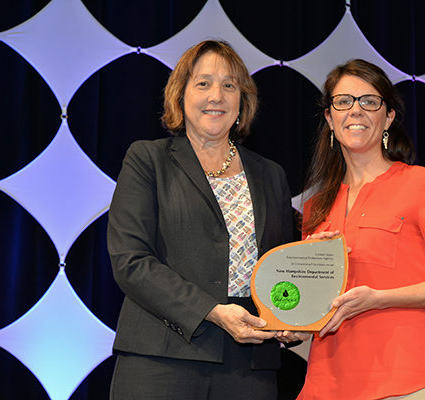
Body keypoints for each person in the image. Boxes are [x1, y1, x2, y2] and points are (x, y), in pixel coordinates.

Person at [107, 40, 303, 400]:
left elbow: (280, 265)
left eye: (229, 85)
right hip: (162, 359)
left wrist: (293, 314)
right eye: (203, 83)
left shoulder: (271, 175)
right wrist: (211, 312)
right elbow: (130, 261)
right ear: (179, 95)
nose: (217, 95)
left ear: (243, 102)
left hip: (250, 368)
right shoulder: (148, 159)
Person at [296, 59, 425, 400]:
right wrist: (286, 323)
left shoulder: (424, 184)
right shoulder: (316, 208)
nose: (356, 111)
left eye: (369, 101)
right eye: (343, 101)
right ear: (329, 118)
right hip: (324, 388)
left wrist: (379, 299)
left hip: (405, 384)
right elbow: (309, 310)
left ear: (388, 118)